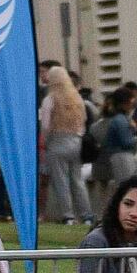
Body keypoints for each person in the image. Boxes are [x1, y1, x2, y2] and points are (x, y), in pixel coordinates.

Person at [41, 65, 89, 224]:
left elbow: (46, 125)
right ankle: (86, 214)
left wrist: (46, 141)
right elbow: (83, 122)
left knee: (61, 181)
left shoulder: (50, 99)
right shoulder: (77, 97)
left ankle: (68, 215)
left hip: (57, 141)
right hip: (76, 141)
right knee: (78, 180)